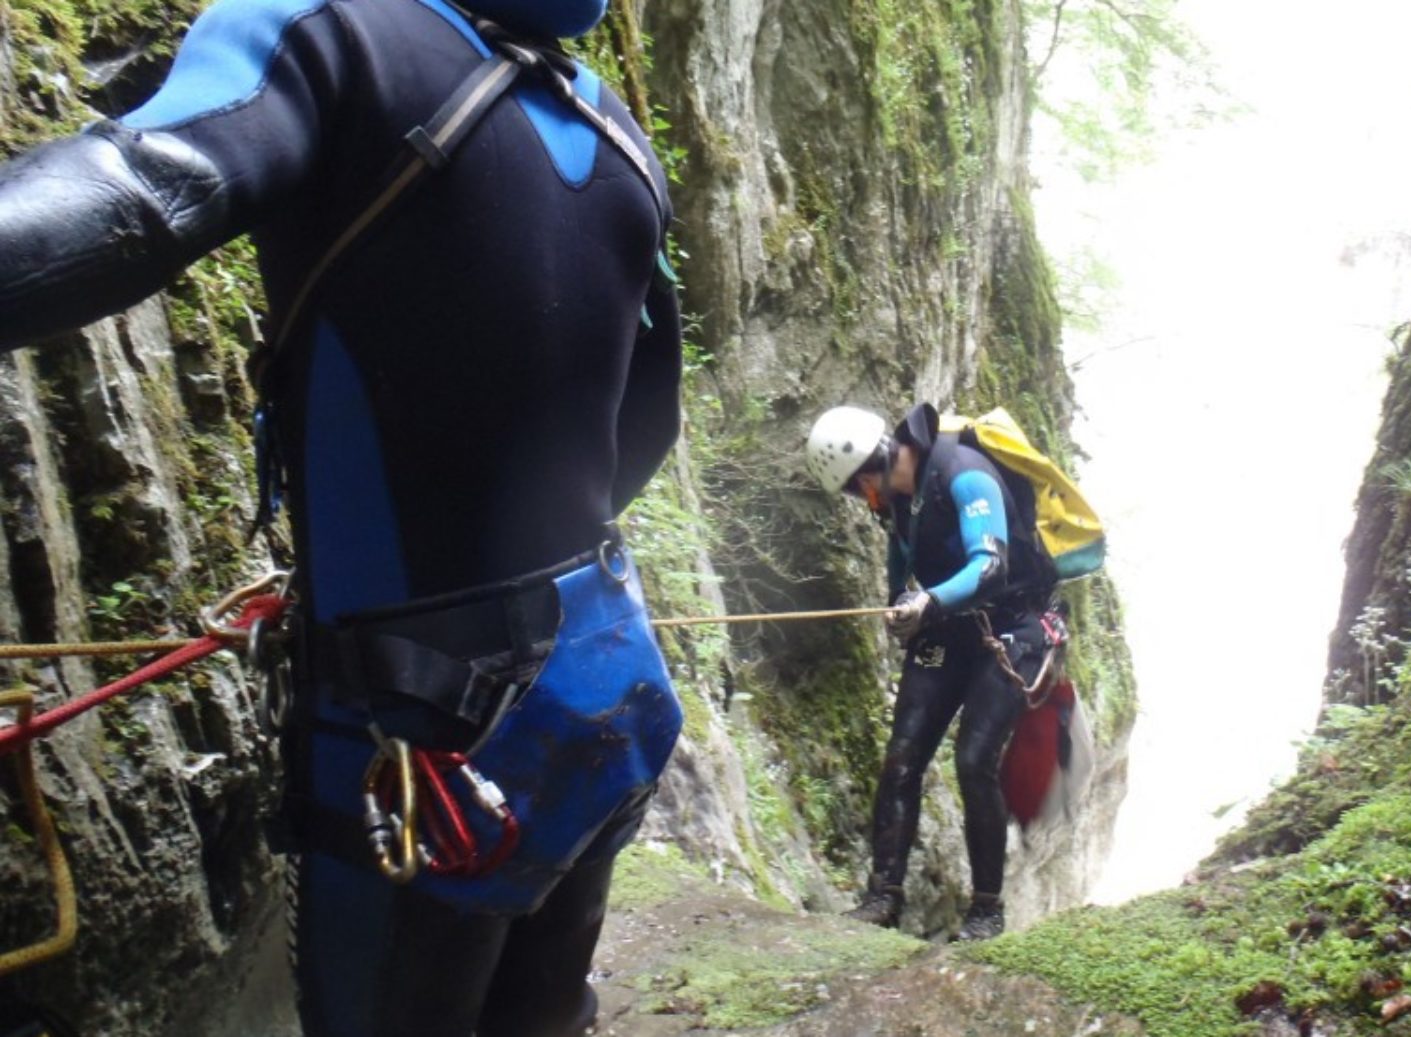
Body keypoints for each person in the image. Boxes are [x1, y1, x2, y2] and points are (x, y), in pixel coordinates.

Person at [0, 0, 684, 1033]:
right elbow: (648, 419)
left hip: (421, 731)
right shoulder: (621, 139)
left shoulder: (331, 33)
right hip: (601, 677)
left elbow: (139, 193)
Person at [806, 402, 1066, 941]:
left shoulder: (963, 472)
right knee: (902, 755)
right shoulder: (900, 501)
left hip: (1015, 625)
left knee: (974, 760)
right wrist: (899, 605)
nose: (863, 500)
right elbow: (902, 563)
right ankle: (883, 897)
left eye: (859, 488)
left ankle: (987, 910)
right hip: (948, 629)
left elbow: (989, 565)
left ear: (874, 462)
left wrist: (927, 603)